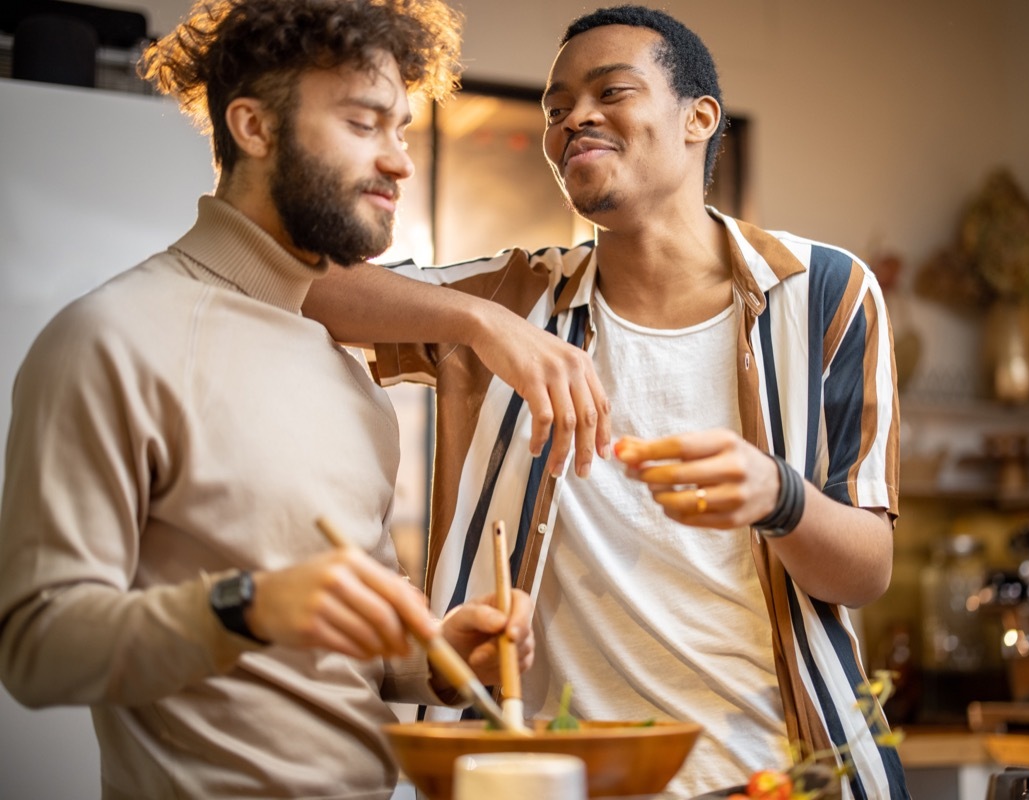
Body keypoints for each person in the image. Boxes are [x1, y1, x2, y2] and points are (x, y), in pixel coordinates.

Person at [303, 5, 909, 798]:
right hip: (558, 779)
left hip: (777, 775)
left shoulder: (825, 291)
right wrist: (484, 323)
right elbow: (305, 286)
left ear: (699, 119)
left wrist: (777, 496)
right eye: (556, 109)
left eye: (610, 91)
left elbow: (866, 571)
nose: (572, 119)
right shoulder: (513, 299)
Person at [0, 1, 593, 798]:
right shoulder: (113, 337)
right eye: (363, 123)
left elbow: (339, 651)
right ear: (253, 127)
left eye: (400, 130)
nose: (399, 161)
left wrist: (438, 654)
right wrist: (246, 605)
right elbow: (35, 649)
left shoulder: (345, 372)